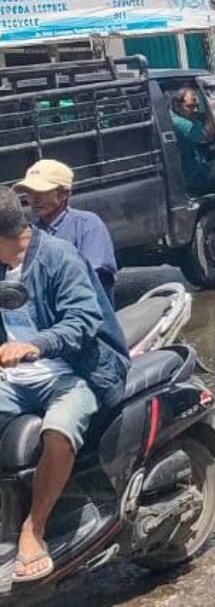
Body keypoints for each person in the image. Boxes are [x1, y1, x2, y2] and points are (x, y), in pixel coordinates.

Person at [0, 187, 129, 582]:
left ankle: (34, 529)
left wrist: (35, 345)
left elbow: (83, 321)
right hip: (15, 378)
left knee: (58, 430)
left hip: (76, 371)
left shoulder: (58, 257)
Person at [14, 161, 118, 306]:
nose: (34, 199)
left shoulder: (87, 225)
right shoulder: (30, 232)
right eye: (29, 192)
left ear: (63, 194)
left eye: (41, 192)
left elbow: (94, 278)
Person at [170, 87, 215, 195]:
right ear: (177, 106)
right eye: (190, 107)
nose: (196, 110)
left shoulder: (186, 117)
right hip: (189, 176)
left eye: (197, 106)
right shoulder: (178, 122)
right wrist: (212, 111)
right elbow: (206, 136)